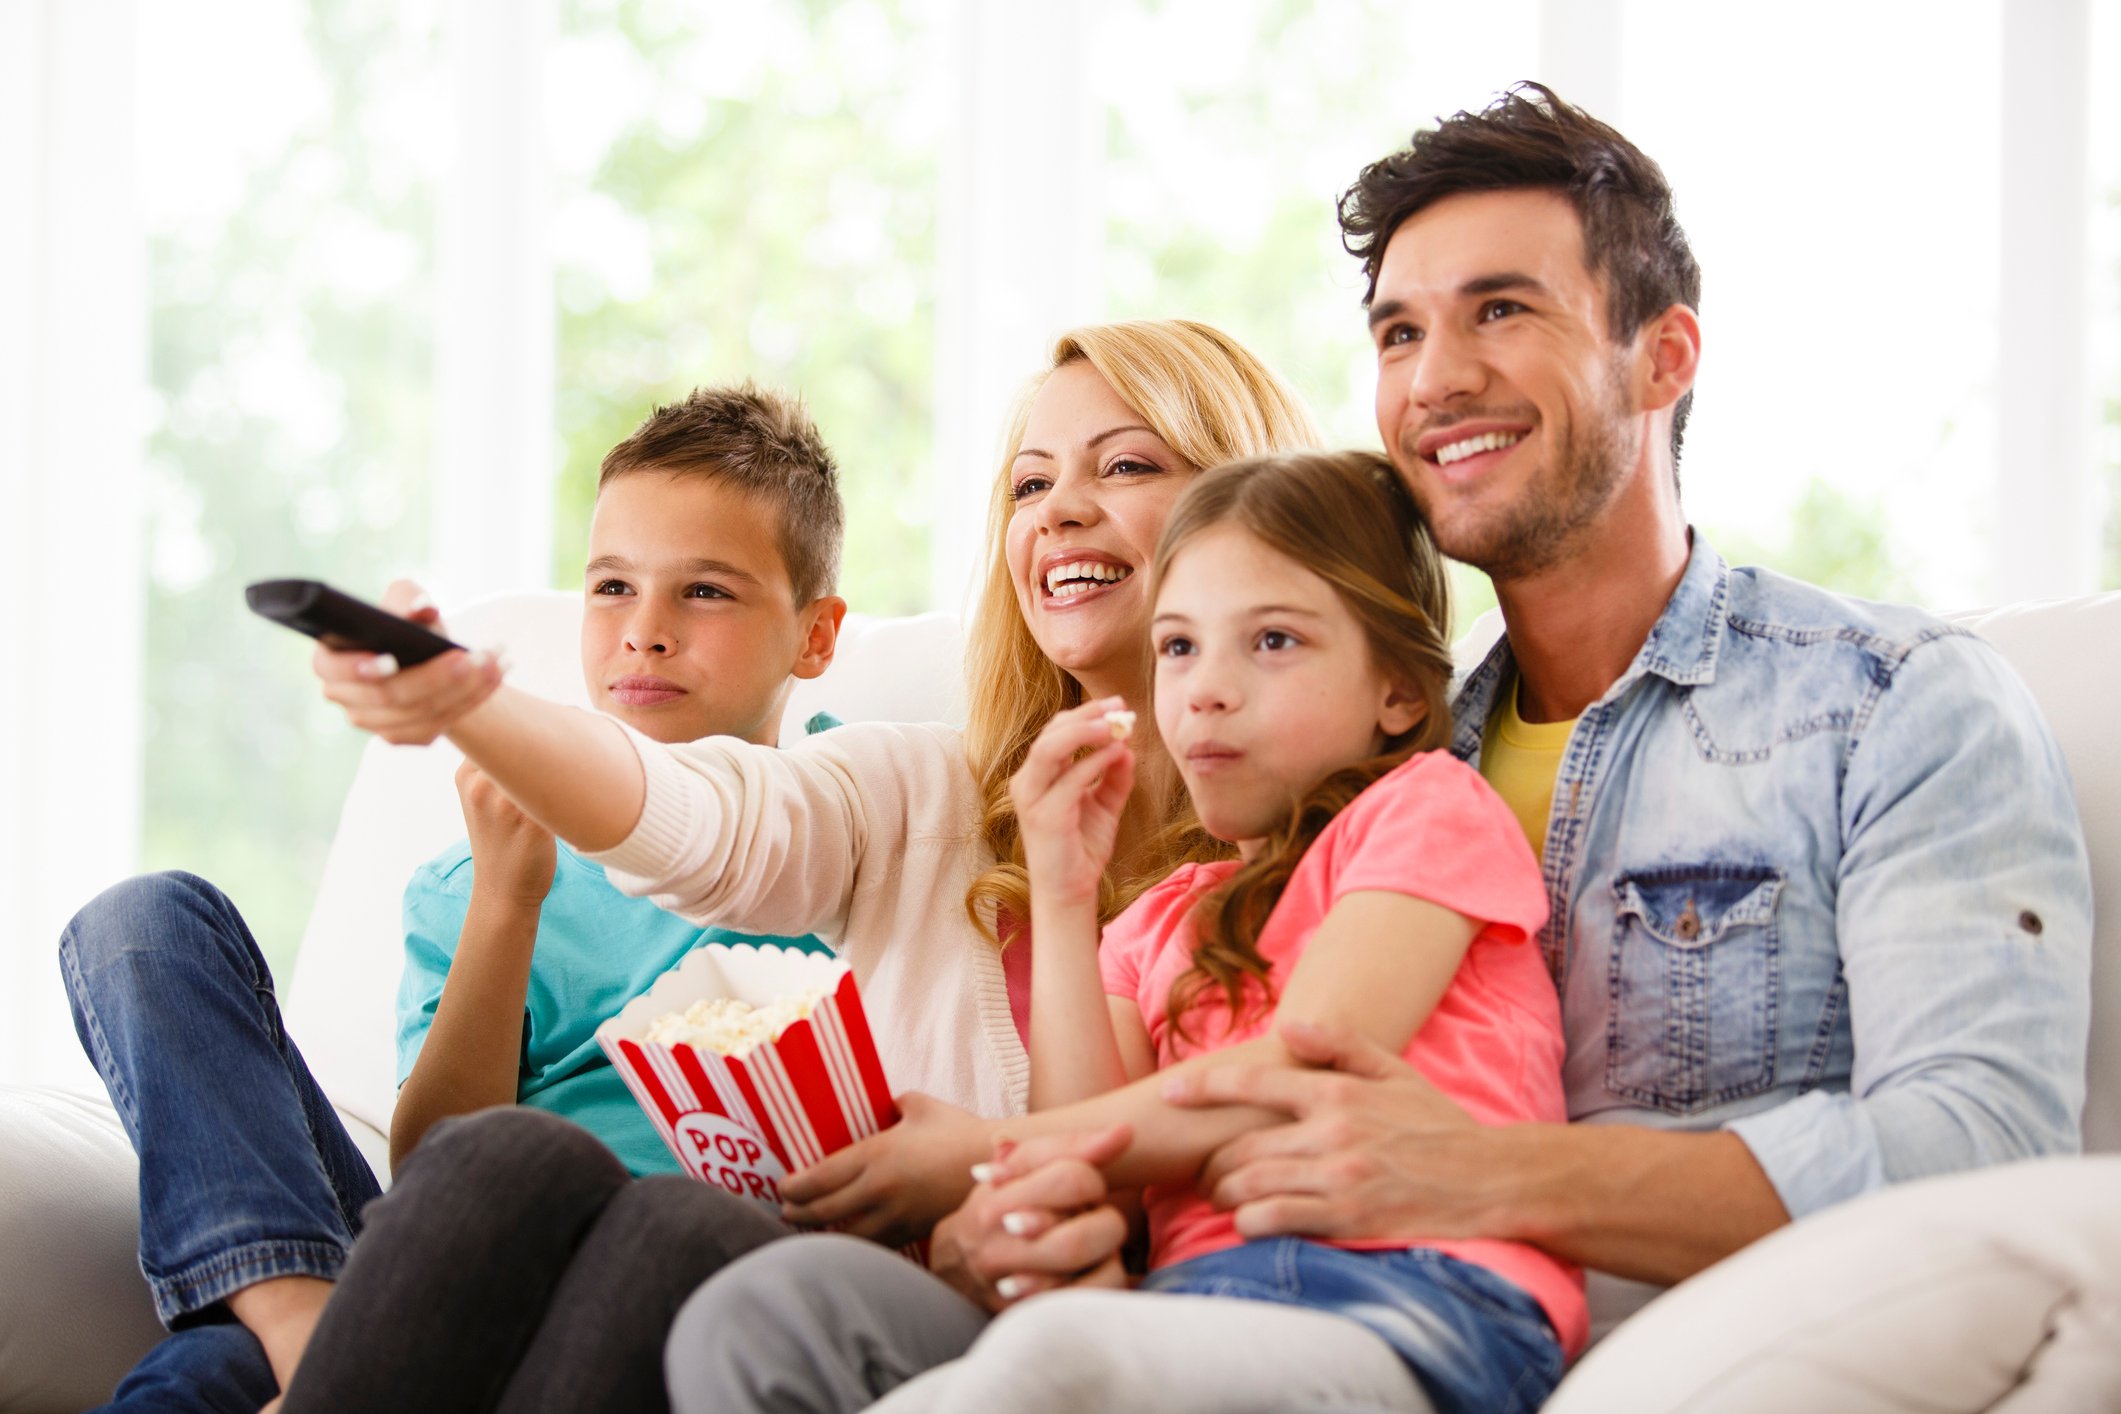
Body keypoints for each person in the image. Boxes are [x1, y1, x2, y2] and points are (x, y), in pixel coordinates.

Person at [657, 82, 2098, 1405]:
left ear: (1663, 357)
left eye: (1501, 311)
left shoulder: (1888, 705)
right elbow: (1183, 1095)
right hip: (1219, 1304)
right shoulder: (1340, 758)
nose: (1436, 376)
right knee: (774, 1317)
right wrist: (1048, 1202)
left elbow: (1974, 1149)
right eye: (1400, 331)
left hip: (1563, 1333)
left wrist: (1493, 1172)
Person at [273, 320, 1323, 1413]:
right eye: (1028, 482)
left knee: (690, 1223)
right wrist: (468, 697)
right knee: (508, 1156)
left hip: (1010, 1326)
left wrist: (988, 1159)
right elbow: (700, 818)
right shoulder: (924, 798)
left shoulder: (1321, 865)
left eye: (1127, 464)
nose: (1058, 508)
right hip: (860, 1287)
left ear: (1255, 511)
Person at [670, 449, 1581, 1414]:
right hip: (1180, 1312)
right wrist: (1064, 896)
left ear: (1397, 690)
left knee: (1062, 1357)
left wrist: (993, 1152)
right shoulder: (1157, 918)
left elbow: (1297, 1084)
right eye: (1179, 647)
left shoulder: (1426, 811)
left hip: (1412, 1302)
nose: (1206, 689)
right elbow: (1103, 1194)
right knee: (766, 1310)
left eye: (1272, 642)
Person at [55, 382, 850, 1413]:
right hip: (445, 1252)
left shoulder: (856, 814)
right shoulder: (480, 866)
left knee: (207, 1371)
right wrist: (507, 903)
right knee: (144, 925)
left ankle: (321, 1356)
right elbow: (439, 1165)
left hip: (651, 1270)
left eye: (704, 592)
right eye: (612, 587)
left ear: (816, 635)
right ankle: (305, 1325)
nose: (643, 632)